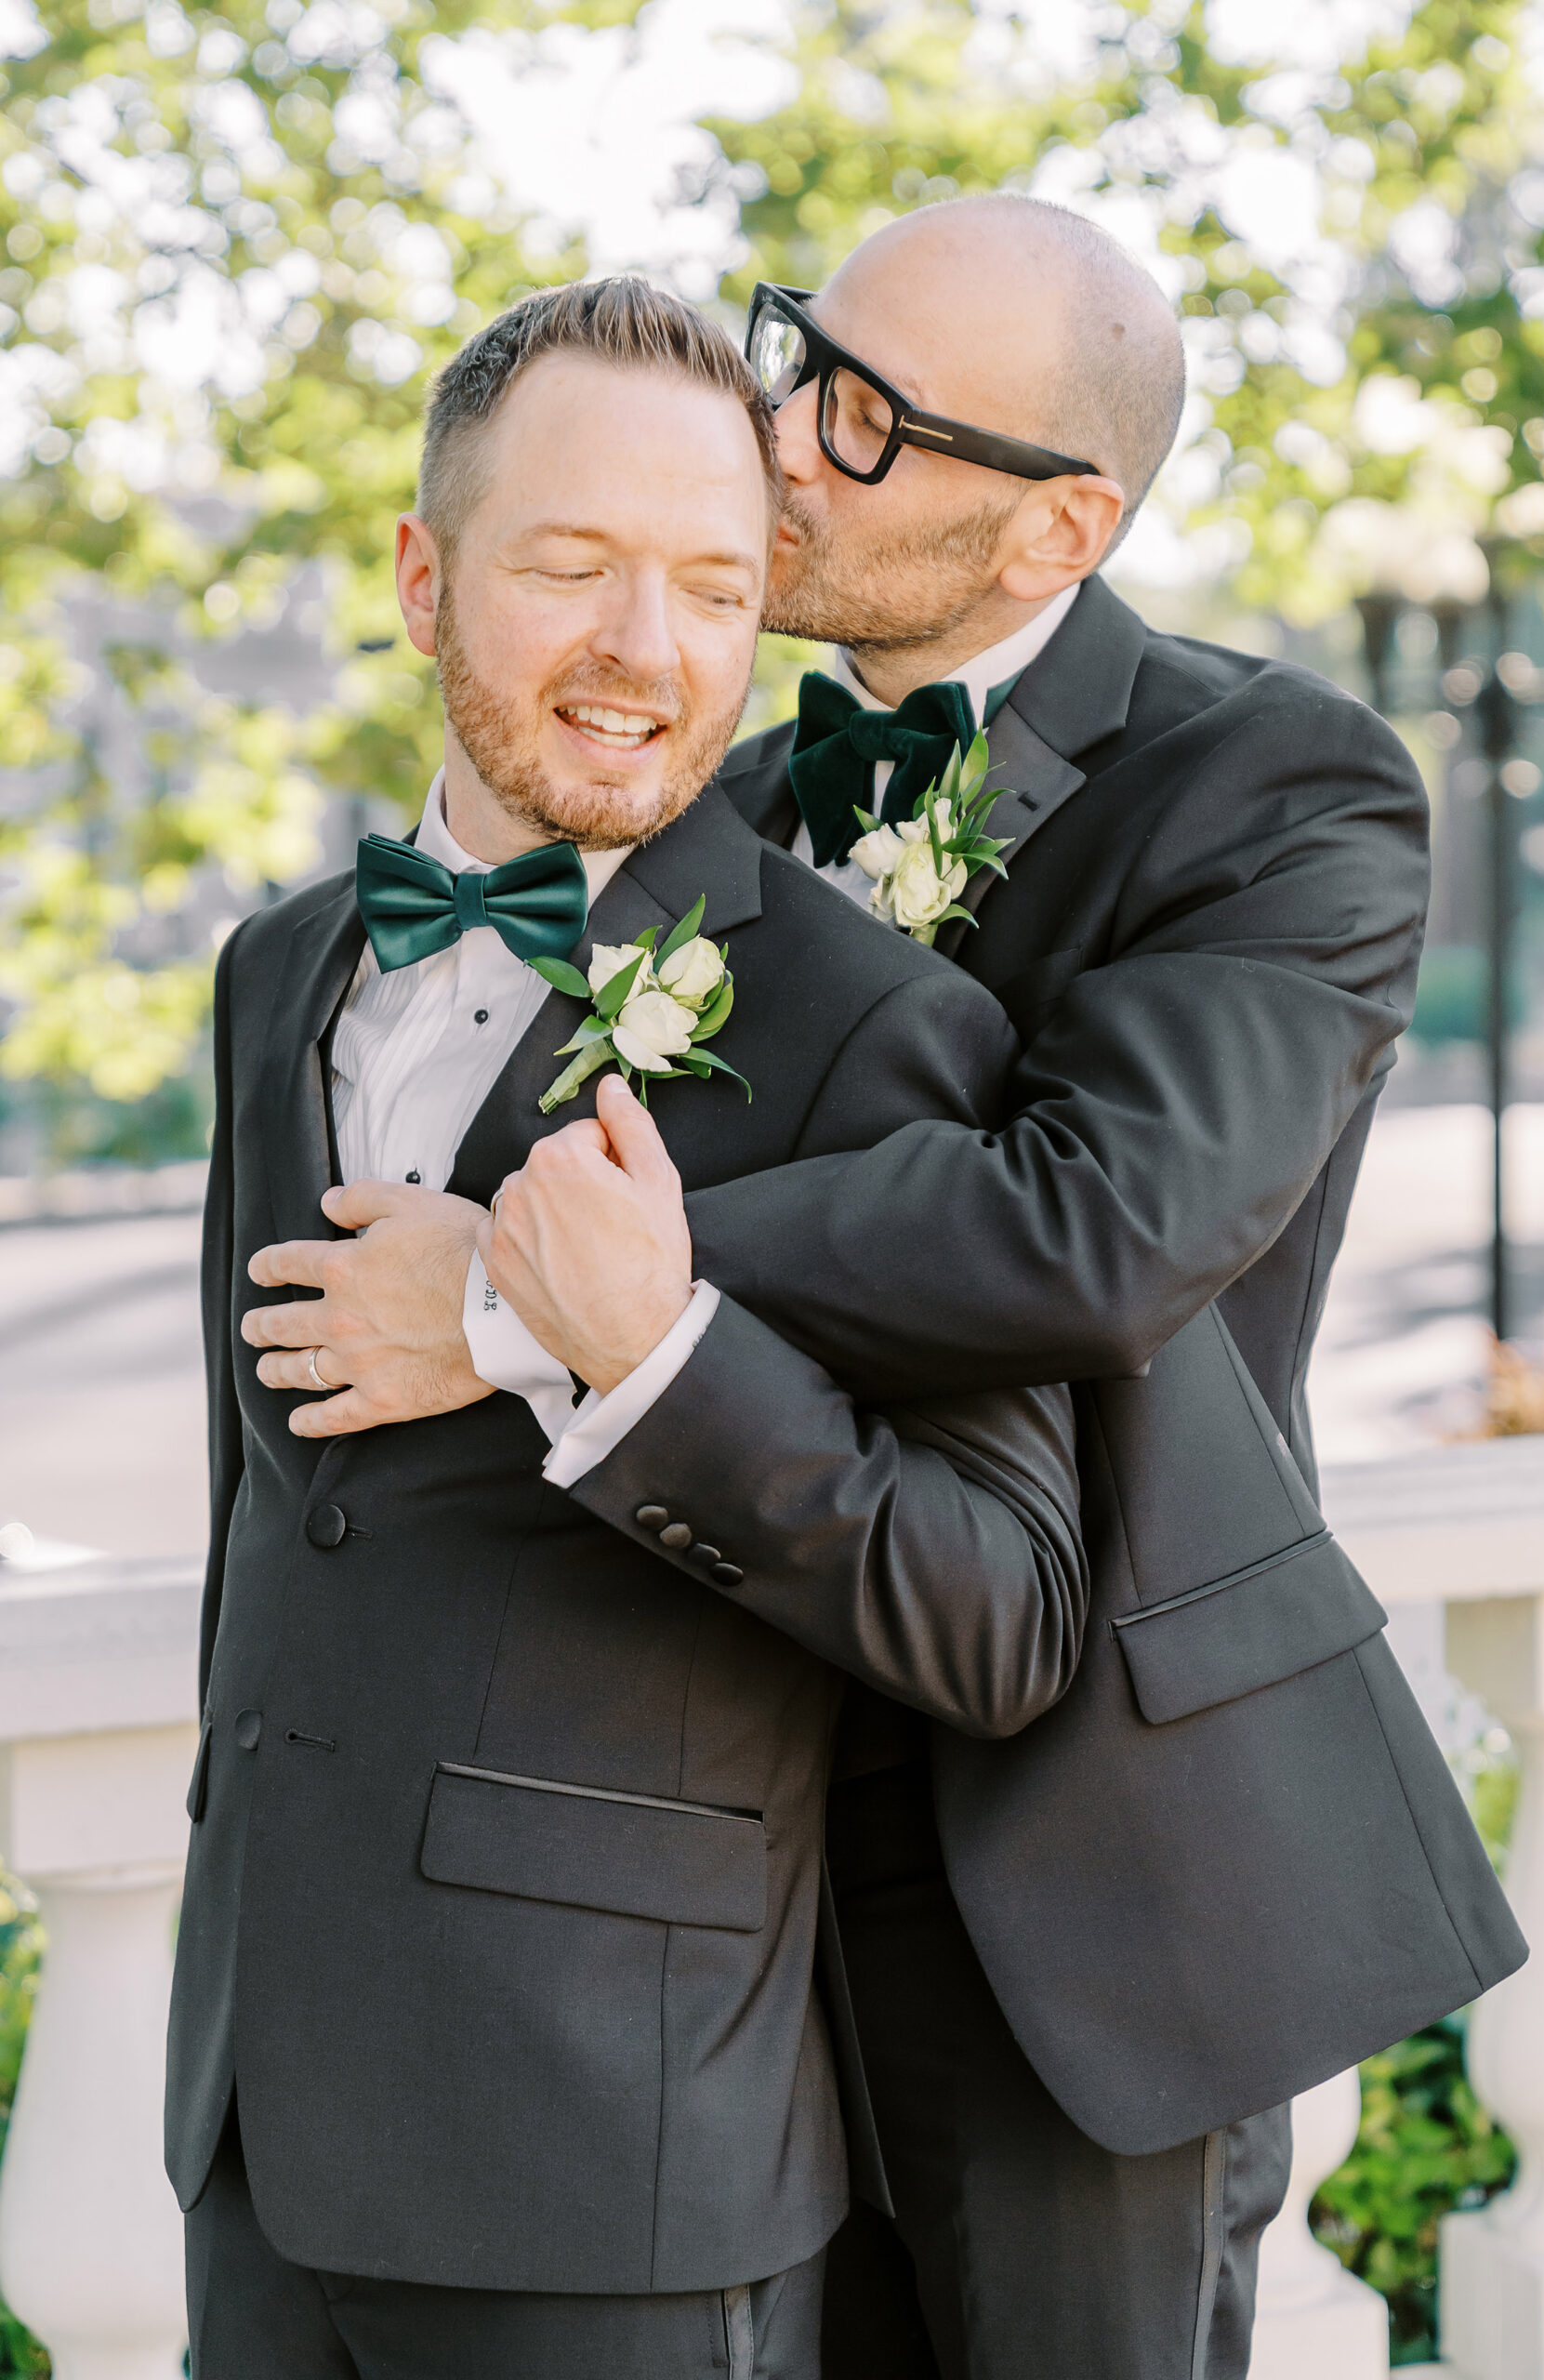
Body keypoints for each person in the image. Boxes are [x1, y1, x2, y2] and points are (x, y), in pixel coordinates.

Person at [244, 202, 1525, 2380]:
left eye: (868, 419)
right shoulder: (706, 782)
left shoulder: (1279, 786)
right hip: (702, 1818)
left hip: (1080, 1859)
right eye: (790, 357)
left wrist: (528, 1289)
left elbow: (1096, 1222)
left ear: (1057, 531)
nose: (777, 439)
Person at [168, 273, 1098, 2380]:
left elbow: (1001, 1609)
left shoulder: (878, 1030)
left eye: (706, 580)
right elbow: (271, 1505)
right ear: (425, 575)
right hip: (250, 2118)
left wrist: (641, 1351)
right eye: (569, 566)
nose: (643, 649)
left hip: (615, 2162)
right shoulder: (271, 968)